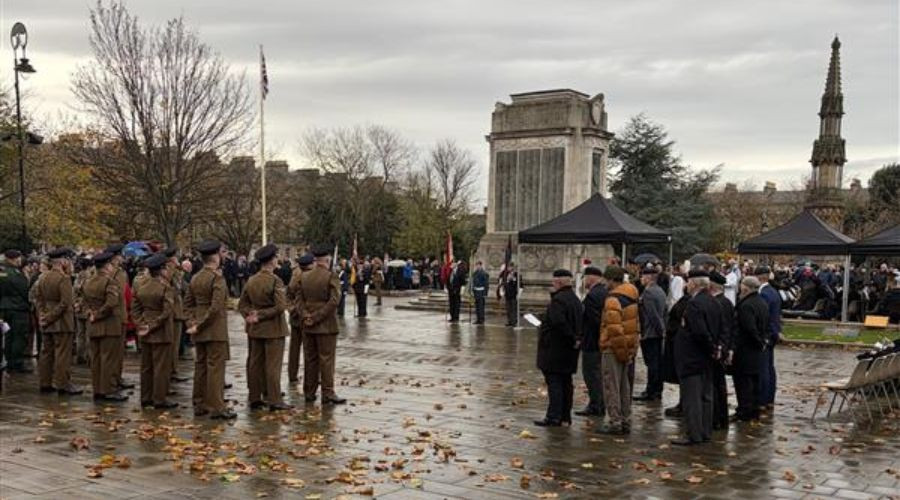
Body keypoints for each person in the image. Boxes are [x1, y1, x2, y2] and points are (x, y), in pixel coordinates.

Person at [184, 240, 235, 420]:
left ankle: (199, 403)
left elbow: (188, 304)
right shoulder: (217, 278)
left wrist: (192, 323)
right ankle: (216, 406)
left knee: (201, 366)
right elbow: (215, 307)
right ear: (214, 257)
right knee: (215, 368)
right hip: (214, 329)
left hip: (199, 329)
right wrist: (200, 324)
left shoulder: (195, 277)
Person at [240, 244, 291, 411]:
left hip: (255, 329)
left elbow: (242, 304)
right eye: (276, 257)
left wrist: (251, 315)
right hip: (273, 329)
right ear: (272, 260)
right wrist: (260, 315)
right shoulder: (275, 280)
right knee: (272, 366)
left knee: (255, 363)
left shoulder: (251, 280)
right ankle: (274, 399)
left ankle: (254, 396)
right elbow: (280, 306)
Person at [671, 269, 719, 446]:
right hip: (706, 357)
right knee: (706, 396)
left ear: (694, 283)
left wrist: (708, 347)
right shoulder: (713, 301)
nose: (686, 285)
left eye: (688, 282)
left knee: (692, 398)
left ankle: (694, 433)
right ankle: (705, 431)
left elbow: (699, 332)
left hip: (693, 356)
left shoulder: (695, 304)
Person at [297, 245, 347, 405]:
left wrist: (306, 316)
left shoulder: (304, 276)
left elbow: (298, 300)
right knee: (326, 360)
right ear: (327, 259)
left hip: (307, 324)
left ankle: (309, 392)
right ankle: (328, 392)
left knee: (310, 359)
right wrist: (317, 317)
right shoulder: (330, 276)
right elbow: (334, 301)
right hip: (325, 325)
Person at [534, 269, 582, 427]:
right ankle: (565, 416)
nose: (552, 285)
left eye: (553, 282)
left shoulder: (558, 301)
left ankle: (554, 416)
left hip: (555, 350)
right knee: (566, 383)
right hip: (568, 351)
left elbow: (559, 322)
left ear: (559, 282)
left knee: (554, 383)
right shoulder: (574, 299)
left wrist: (571, 337)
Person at [597, 265, 640, 435]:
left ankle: (614, 421)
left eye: (606, 279)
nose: (604, 283)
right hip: (628, 345)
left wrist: (621, 353)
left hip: (613, 348)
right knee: (624, 386)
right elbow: (635, 325)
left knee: (611, 385)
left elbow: (614, 329)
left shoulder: (613, 299)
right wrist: (630, 350)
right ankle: (626, 419)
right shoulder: (632, 294)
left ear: (611, 280)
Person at [132, 253, 178, 409]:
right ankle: (159, 398)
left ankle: (145, 397)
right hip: (161, 332)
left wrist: (141, 324)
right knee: (161, 368)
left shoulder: (142, 287)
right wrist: (152, 325)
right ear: (162, 269)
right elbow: (167, 312)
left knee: (146, 367)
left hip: (144, 330)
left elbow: (135, 309)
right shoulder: (165, 288)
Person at [34, 248, 82, 396]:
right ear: (62, 261)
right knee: (62, 354)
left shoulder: (43, 277)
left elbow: (39, 299)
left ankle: (45, 382)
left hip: (46, 321)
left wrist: (43, 315)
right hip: (61, 323)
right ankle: (63, 384)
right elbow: (65, 303)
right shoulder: (64, 279)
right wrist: (50, 317)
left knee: (46, 353)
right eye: (67, 260)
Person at [83, 252, 128, 402]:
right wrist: (98, 314)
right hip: (109, 325)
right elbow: (111, 303)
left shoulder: (89, 281)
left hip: (94, 324)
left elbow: (84, 301)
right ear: (107, 265)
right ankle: (108, 389)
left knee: (96, 359)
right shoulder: (110, 282)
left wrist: (91, 313)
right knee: (108, 359)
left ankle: (98, 389)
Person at [732, 276, 768, 422]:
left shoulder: (746, 305)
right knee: (753, 382)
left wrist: (759, 341)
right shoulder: (761, 302)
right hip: (756, 350)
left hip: (746, 349)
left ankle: (745, 410)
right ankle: (753, 409)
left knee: (744, 382)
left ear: (745, 287)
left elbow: (749, 328)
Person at [575, 266, 607, 417]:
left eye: (585, 278)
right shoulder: (604, 291)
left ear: (591, 277)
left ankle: (596, 405)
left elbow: (595, 321)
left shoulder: (594, 295)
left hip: (592, 342)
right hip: (599, 341)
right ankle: (598, 403)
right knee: (597, 374)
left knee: (591, 374)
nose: (584, 281)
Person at [104, 243, 134, 391]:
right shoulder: (117, 273)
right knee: (114, 352)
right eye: (120, 255)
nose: (122, 258)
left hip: (116, 315)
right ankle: (112, 381)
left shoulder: (114, 272)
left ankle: (116, 377)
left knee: (117, 352)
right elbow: (120, 296)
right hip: (115, 315)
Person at [636, 267, 666, 402]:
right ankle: (657, 390)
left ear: (648, 278)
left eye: (643, 277)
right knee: (657, 363)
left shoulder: (648, 292)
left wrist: (660, 331)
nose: (641, 279)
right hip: (657, 332)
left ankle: (651, 391)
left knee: (652, 364)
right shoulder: (660, 291)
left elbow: (652, 315)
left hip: (650, 332)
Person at [709, 270, 734, 430]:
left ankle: (717, 417)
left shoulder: (718, 303)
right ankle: (720, 417)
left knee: (716, 385)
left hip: (718, 349)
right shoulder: (726, 302)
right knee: (719, 385)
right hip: (723, 348)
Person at [1, 249, 33, 374]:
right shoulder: (16, 274)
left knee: (9, 336)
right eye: (19, 258)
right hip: (18, 308)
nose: (20, 260)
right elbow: (25, 291)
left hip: (5, 308)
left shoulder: (2, 272)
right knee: (19, 336)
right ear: (14, 258)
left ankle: (9, 361)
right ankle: (17, 363)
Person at [755, 266, 781, 415]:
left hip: (767, 334)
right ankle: (769, 398)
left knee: (763, 368)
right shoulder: (773, 292)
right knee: (770, 367)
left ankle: (763, 399)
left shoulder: (764, 294)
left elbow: (763, 316)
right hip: (773, 333)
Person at [287, 253, 314, 384]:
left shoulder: (294, 276)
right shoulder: (310, 278)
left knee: (294, 349)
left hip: (295, 317)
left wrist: (291, 309)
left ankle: (292, 375)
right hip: (307, 318)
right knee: (310, 350)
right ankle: (312, 377)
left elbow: (288, 296)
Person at [503, 263, 520, 327]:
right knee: (508, 309)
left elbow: (518, 284)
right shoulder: (506, 274)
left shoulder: (516, 274)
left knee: (513, 309)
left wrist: (513, 279)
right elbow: (505, 282)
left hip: (513, 294)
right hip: (507, 294)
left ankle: (514, 322)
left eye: (510, 267)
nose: (508, 268)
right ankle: (509, 321)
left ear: (512, 267)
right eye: (508, 267)